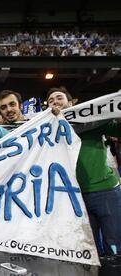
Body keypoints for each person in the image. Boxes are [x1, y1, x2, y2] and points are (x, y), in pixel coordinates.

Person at [46, 86, 121, 256]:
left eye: (59, 98)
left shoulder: (92, 120)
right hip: (75, 198)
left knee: (116, 249)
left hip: (106, 192)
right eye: (50, 101)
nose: (55, 102)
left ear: (71, 103)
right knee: (88, 252)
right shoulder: (48, 132)